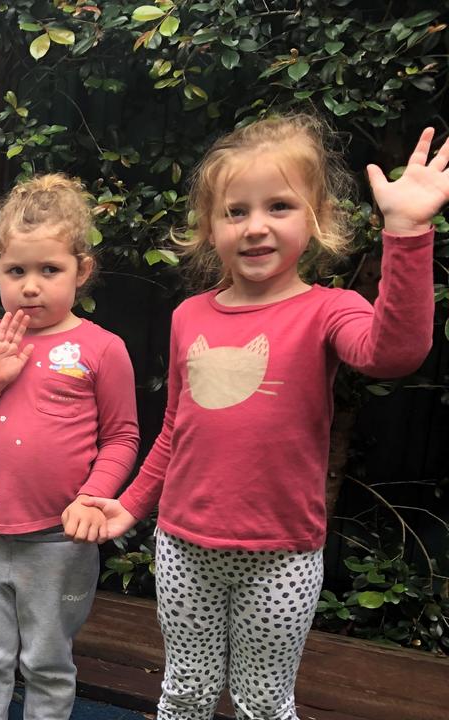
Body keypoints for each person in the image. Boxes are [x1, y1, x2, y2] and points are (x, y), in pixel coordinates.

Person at [84, 116, 442, 718]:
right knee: (184, 692)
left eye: (279, 206)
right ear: (209, 228)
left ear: (317, 218)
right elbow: (176, 426)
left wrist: (406, 233)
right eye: (235, 211)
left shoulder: (329, 309)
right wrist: (133, 502)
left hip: (282, 555)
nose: (256, 227)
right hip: (184, 547)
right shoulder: (188, 316)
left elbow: (394, 352)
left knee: (264, 702)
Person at [0, 174, 140, 719]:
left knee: (48, 661)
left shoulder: (103, 348)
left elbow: (122, 437)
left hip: (60, 539)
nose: (31, 286)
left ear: (82, 270)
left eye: (50, 270)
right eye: (16, 271)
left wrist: (93, 497)